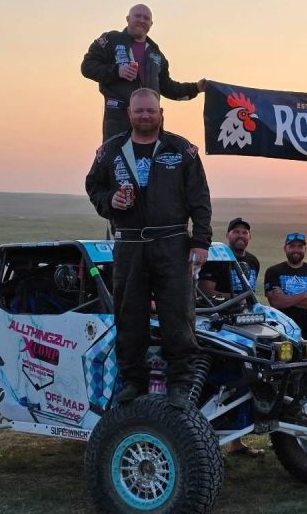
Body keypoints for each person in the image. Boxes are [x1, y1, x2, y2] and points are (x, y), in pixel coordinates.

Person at [85, 88, 212, 408]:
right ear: (129, 113)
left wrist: (201, 242)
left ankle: (180, 385)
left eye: (150, 111)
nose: (145, 116)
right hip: (129, 245)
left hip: (172, 244)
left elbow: (200, 199)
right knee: (129, 316)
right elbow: (93, 185)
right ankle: (132, 382)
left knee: (178, 316)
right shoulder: (111, 150)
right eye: (139, 111)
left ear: (161, 113)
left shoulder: (182, 150)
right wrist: (109, 201)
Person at [81, 3, 206, 141]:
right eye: (137, 16)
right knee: (115, 154)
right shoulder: (111, 40)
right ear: (128, 19)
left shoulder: (157, 54)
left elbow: (168, 87)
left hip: (150, 124)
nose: (142, 20)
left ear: (151, 24)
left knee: (153, 155)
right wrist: (117, 71)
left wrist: (196, 88)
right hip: (118, 122)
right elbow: (87, 67)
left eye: (146, 18)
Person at [264, 232, 307, 338]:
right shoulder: (273, 271)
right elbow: (277, 302)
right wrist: (304, 295)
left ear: (305, 249)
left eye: (300, 246)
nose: (296, 250)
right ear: (285, 248)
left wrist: (286, 298)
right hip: (283, 330)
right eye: (292, 246)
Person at [198, 218, 260, 298]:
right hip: (222, 306)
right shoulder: (217, 259)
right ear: (227, 235)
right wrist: (238, 299)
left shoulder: (253, 261)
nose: (241, 235)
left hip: (248, 306)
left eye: (245, 233)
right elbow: (205, 291)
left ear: (250, 237)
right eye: (236, 232)